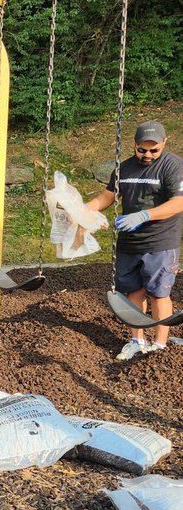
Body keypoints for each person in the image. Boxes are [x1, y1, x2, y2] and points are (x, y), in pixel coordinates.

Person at [88, 120, 183, 360]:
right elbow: (107, 196)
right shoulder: (124, 168)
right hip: (129, 242)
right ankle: (136, 341)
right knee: (133, 291)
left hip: (160, 241)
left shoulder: (173, 166)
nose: (148, 154)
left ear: (164, 143)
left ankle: (160, 346)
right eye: (142, 149)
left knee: (159, 293)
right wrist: (83, 210)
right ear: (134, 144)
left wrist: (144, 215)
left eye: (154, 150)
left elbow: (178, 202)